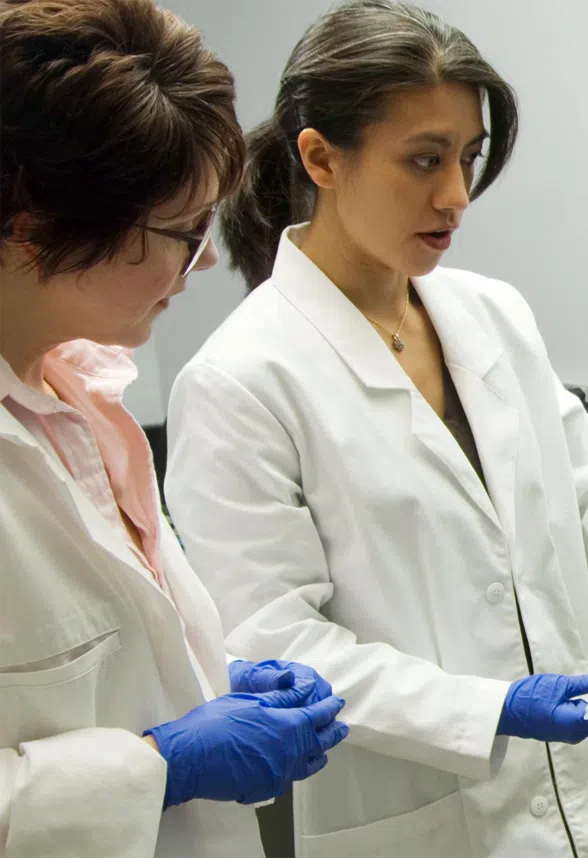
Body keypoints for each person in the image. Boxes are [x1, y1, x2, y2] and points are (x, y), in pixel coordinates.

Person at [164, 2, 588, 856]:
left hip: (575, 806)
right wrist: (490, 710)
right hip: (421, 816)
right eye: (423, 160)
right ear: (320, 158)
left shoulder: (491, 316)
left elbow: (586, 497)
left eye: (467, 158)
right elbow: (277, 647)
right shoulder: (240, 381)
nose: (455, 195)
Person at [0, 1, 348, 855]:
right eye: (186, 231)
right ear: (34, 232)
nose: (210, 260)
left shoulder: (78, 398)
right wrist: (160, 764)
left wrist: (199, 676)